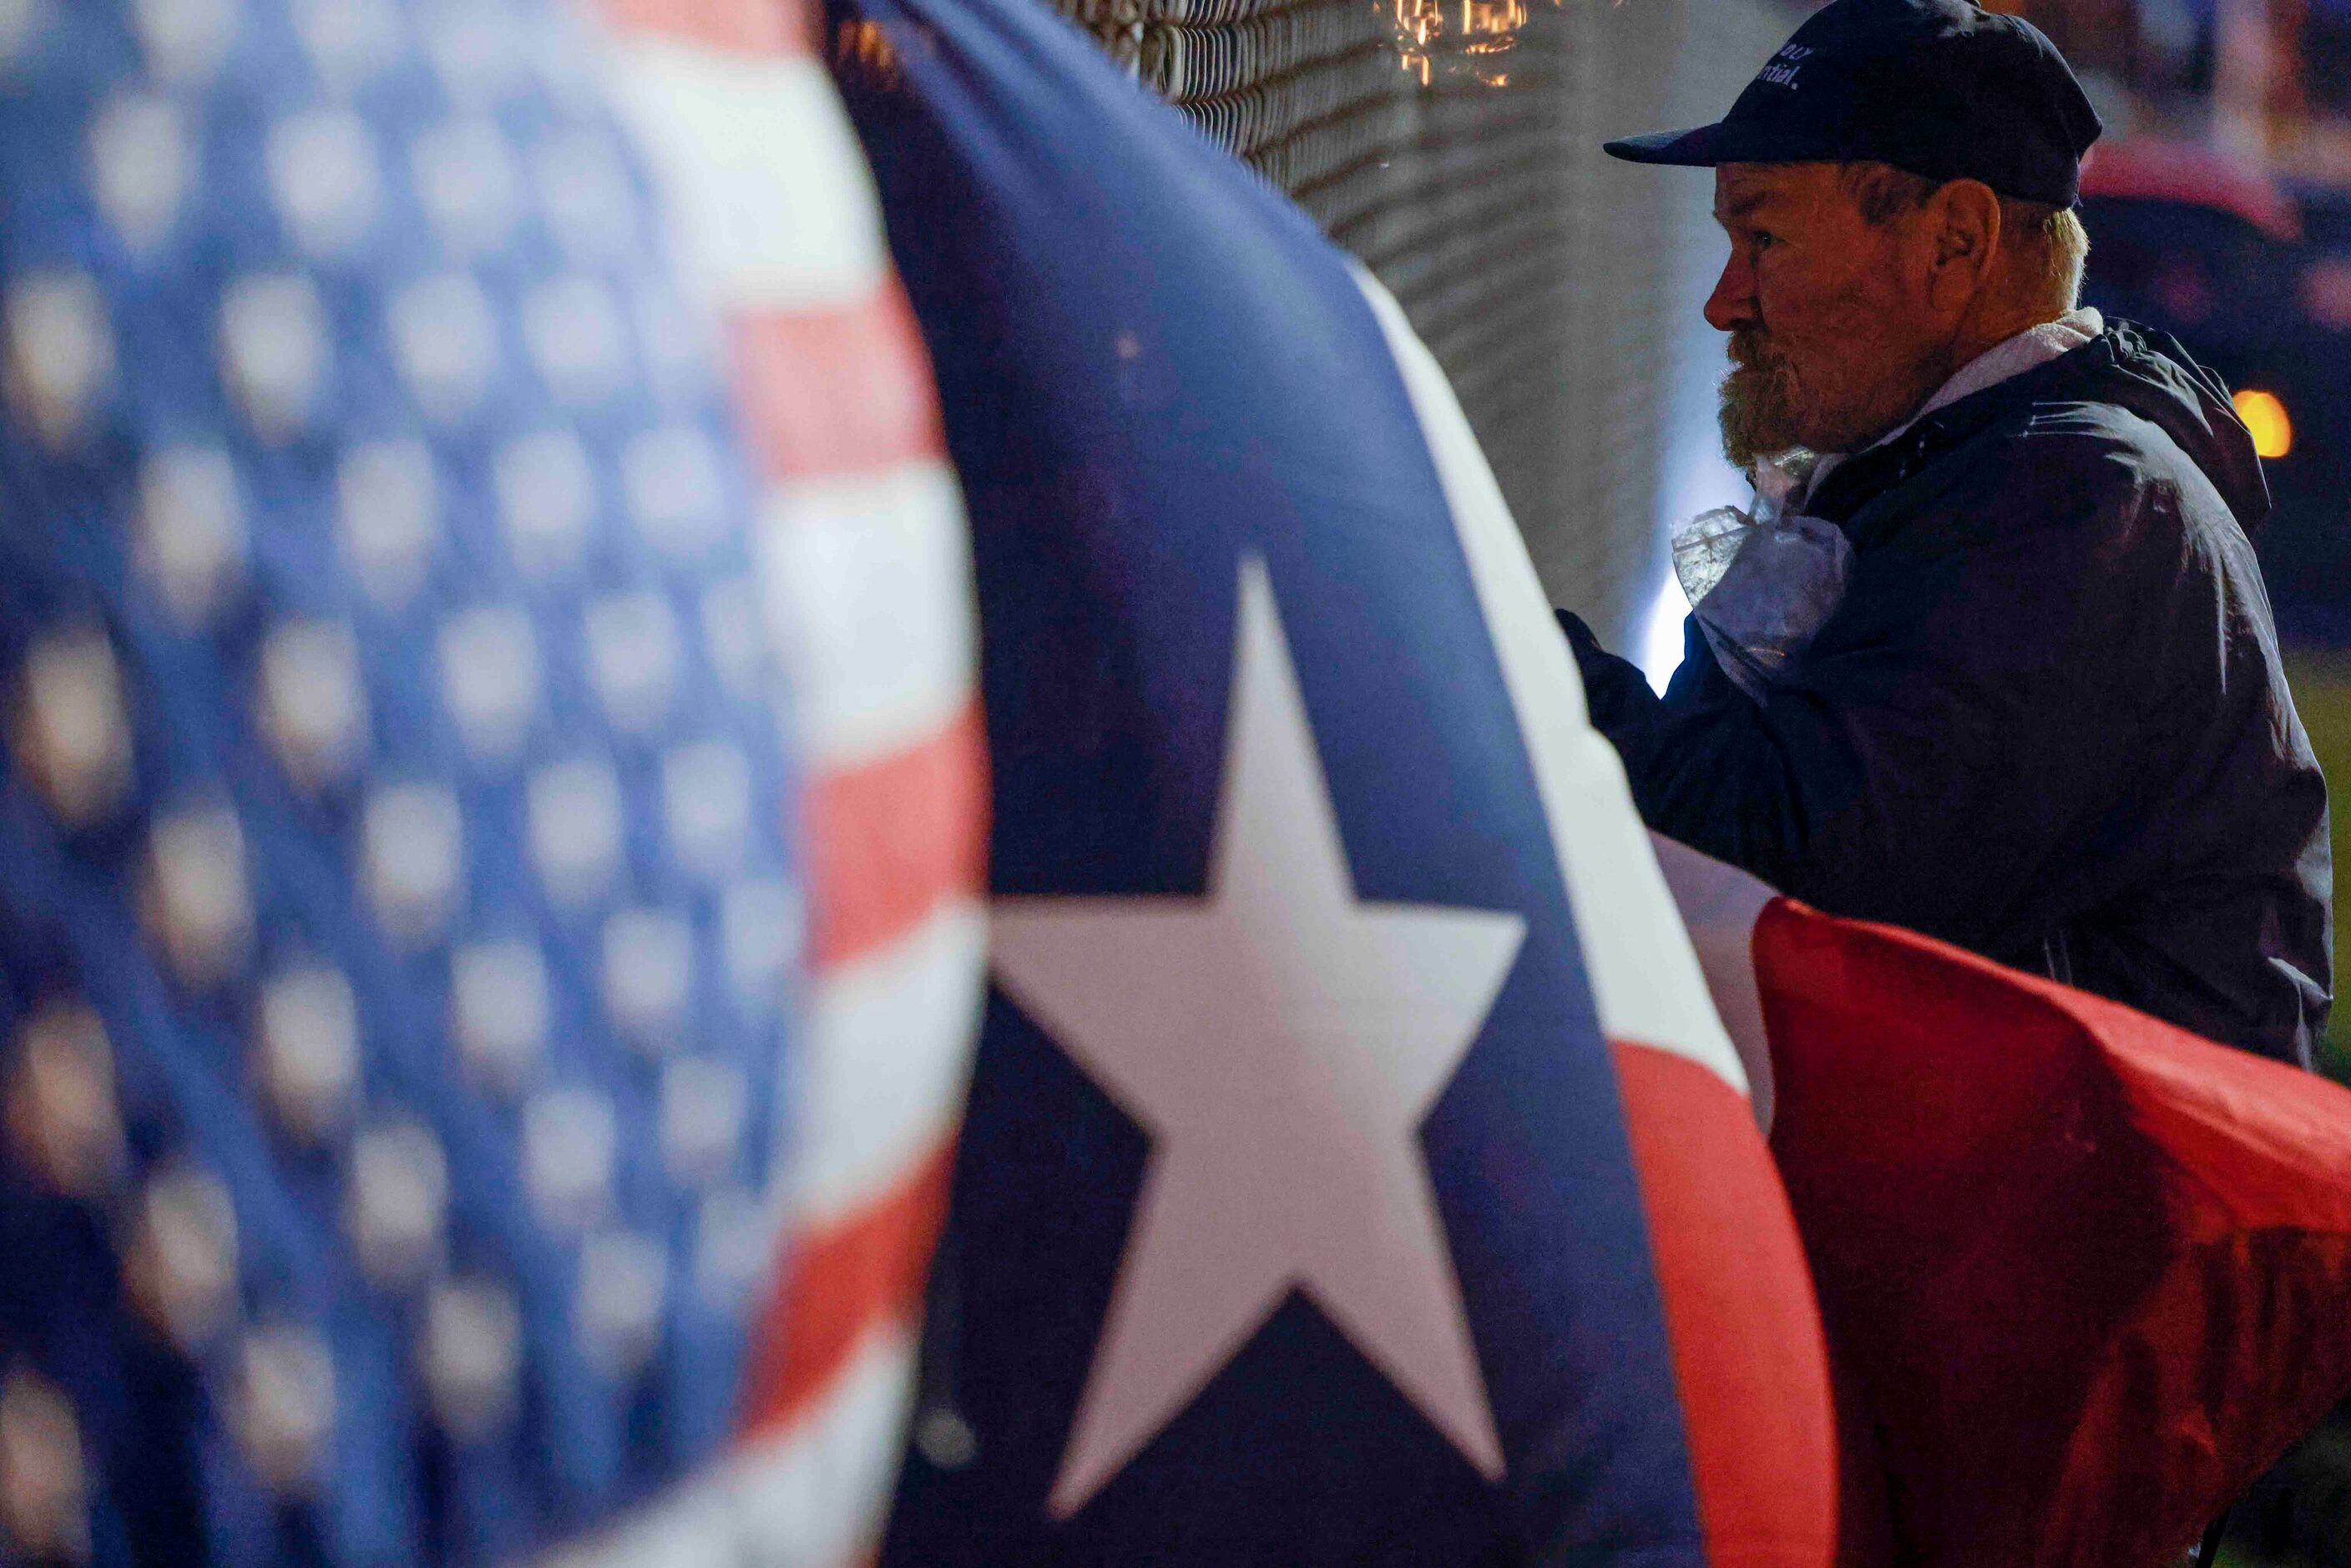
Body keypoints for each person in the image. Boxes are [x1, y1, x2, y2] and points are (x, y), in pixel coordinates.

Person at [1560, 0, 2333, 1065]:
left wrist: (1516, 663)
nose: (1723, 302)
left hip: (2101, 1217)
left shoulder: (2077, 500)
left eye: (1764, 237)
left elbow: (1791, 870)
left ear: (1952, 243)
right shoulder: (1943, 471)